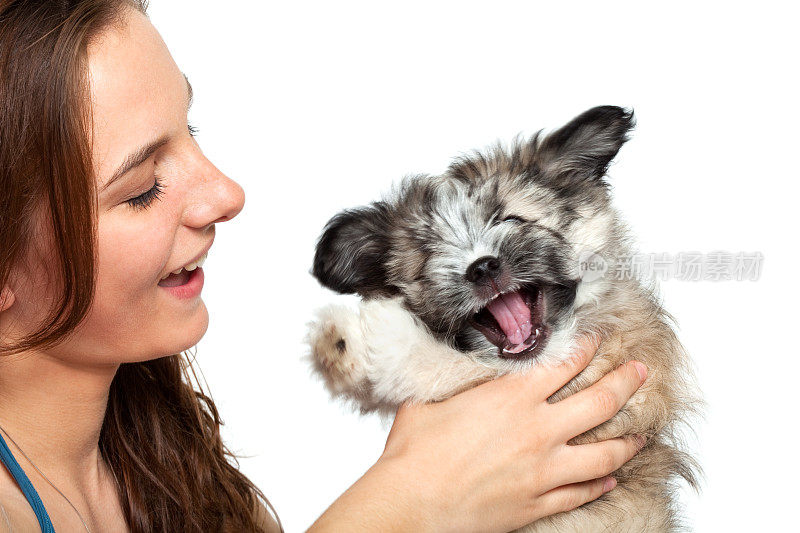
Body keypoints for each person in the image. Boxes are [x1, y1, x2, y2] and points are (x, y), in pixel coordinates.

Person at [0, 1, 648, 531]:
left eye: (190, 131)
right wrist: (407, 502)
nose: (227, 193)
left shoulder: (172, 472)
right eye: (142, 186)